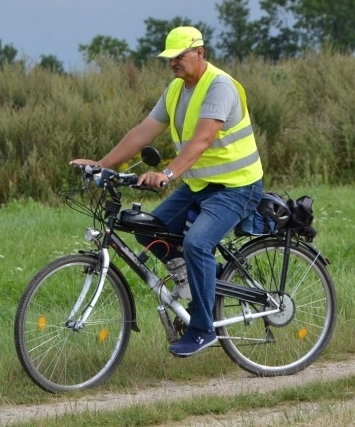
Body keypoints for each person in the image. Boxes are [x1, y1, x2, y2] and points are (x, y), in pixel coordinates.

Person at [71, 26, 263, 357]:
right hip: (200, 186)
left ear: (200, 53)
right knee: (147, 229)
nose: (173, 62)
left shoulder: (219, 86)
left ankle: (203, 329)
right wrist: (101, 165)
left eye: (179, 56)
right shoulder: (175, 90)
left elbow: (202, 140)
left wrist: (167, 173)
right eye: (169, 57)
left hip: (237, 186)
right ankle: (204, 279)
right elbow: (142, 133)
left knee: (197, 244)